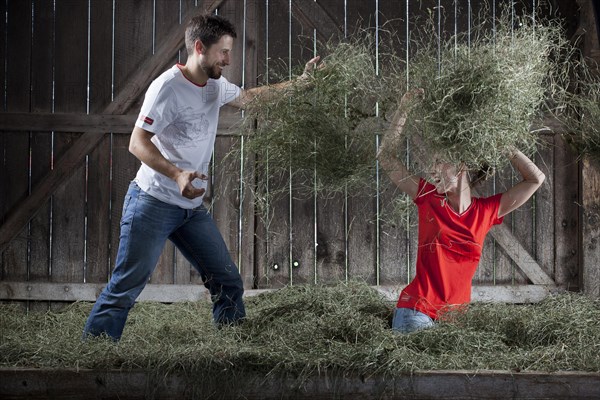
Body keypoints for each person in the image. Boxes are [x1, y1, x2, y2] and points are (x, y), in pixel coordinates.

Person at [83, 13, 320, 341]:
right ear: (199, 47)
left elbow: (251, 99)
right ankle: (94, 356)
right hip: (152, 202)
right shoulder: (167, 88)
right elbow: (137, 143)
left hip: (189, 209)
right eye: (223, 52)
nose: (228, 59)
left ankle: (231, 351)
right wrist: (177, 173)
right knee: (125, 287)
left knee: (228, 282)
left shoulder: (215, 86)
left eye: (230, 52)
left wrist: (301, 84)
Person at [377, 89, 546, 334]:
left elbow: (535, 179)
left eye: (439, 163)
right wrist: (404, 108)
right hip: (417, 312)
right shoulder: (428, 197)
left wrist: (501, 142)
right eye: (431, 165)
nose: (432, 171)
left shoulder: (485, 212)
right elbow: (386, 157)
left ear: (461, 166)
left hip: (454, 322)